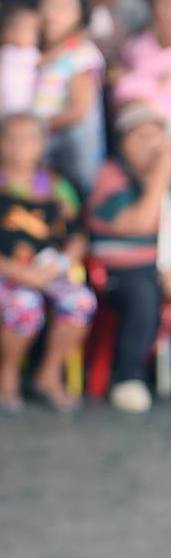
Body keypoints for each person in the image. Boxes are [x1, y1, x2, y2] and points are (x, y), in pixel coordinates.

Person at [0, 113, 97, 413]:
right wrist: (15, 271)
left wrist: (59, 265)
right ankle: (5, 377)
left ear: (42, 144)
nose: (19, 145)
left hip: (47, 270)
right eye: (11, 138)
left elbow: (77, 235)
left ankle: (49, 374)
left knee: (80, 301)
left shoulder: (57, 185)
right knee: (24, 304)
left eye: (29, 138)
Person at [86, 105, 171, 413]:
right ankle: (129, 378)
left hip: (160, 267)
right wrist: (160, 175)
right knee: (143, 296)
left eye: (157, 134)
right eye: (141, 136)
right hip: (119, 271)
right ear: (122, 143)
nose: (152, 144)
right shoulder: (110, 177)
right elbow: (139, 223)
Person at [33, 0, 106, 195]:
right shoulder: (30, 48)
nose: (52, 13)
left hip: (65, 151)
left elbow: (79, 110)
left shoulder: (81, 53)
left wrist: (31, 128)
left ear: (79, 16)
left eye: (63, 7)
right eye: (47, 4)